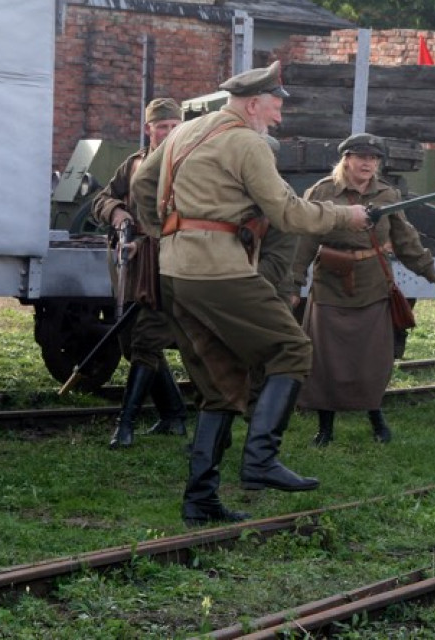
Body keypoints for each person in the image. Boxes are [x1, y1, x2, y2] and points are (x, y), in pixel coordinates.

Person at [130, 60, 369, 527]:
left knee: (221, 386)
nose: (279, 117)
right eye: (276, 107)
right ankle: (260, 461)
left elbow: (142, 182)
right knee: (293, 348)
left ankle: (200, 500)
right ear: (254, 104)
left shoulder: (186, 131)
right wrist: (348, 217)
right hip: (220, 272)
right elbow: (288, 215)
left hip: (175, 272)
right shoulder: (248, 142)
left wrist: (166, 231)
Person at [293, 133, 435, 446]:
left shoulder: (388, 194)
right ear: (346, 159)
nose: (368, 163)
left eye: (373, 158)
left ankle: (376, 418)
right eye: (361, 156)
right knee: (327, 360)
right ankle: (325, 428)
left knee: (372, 361)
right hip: (330, 288)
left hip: (372, 287)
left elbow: (406, 238)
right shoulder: (324, 191)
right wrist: (293, 281)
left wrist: (431, 272)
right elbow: (304, 241)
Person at [90, 97, 188, 448]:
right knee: (130, 342)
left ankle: (125, 425)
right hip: (132, 267)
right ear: (149, 129)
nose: (168, 132)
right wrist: (117, 212)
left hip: (170, 262)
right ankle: (174, 413)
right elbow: (101, 199)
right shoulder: (133, 165)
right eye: (162, 126)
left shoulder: (190, 164)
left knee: (147, 340)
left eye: (174, 126)